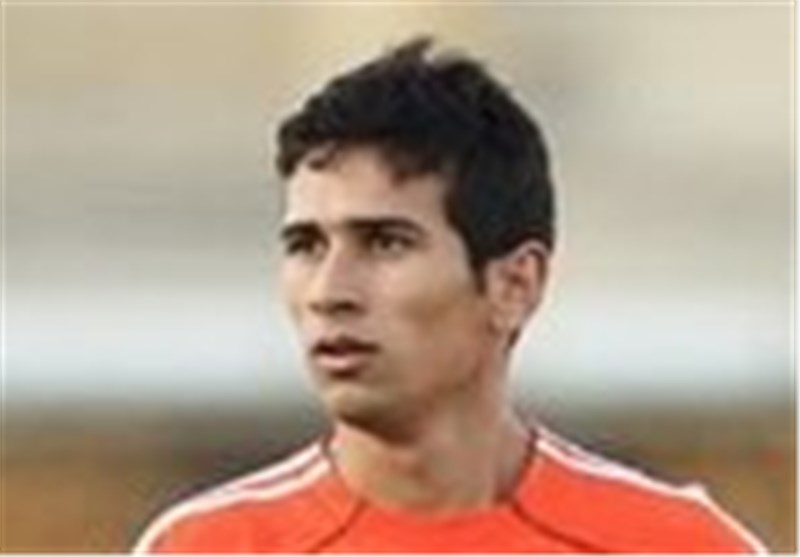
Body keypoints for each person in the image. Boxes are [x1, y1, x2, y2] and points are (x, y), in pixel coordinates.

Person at [132, 37, 766, 554]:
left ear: (515, 285)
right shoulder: (204, 546)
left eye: (385, 243)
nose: (329, 291)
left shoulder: (678, 545)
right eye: (306, 245)